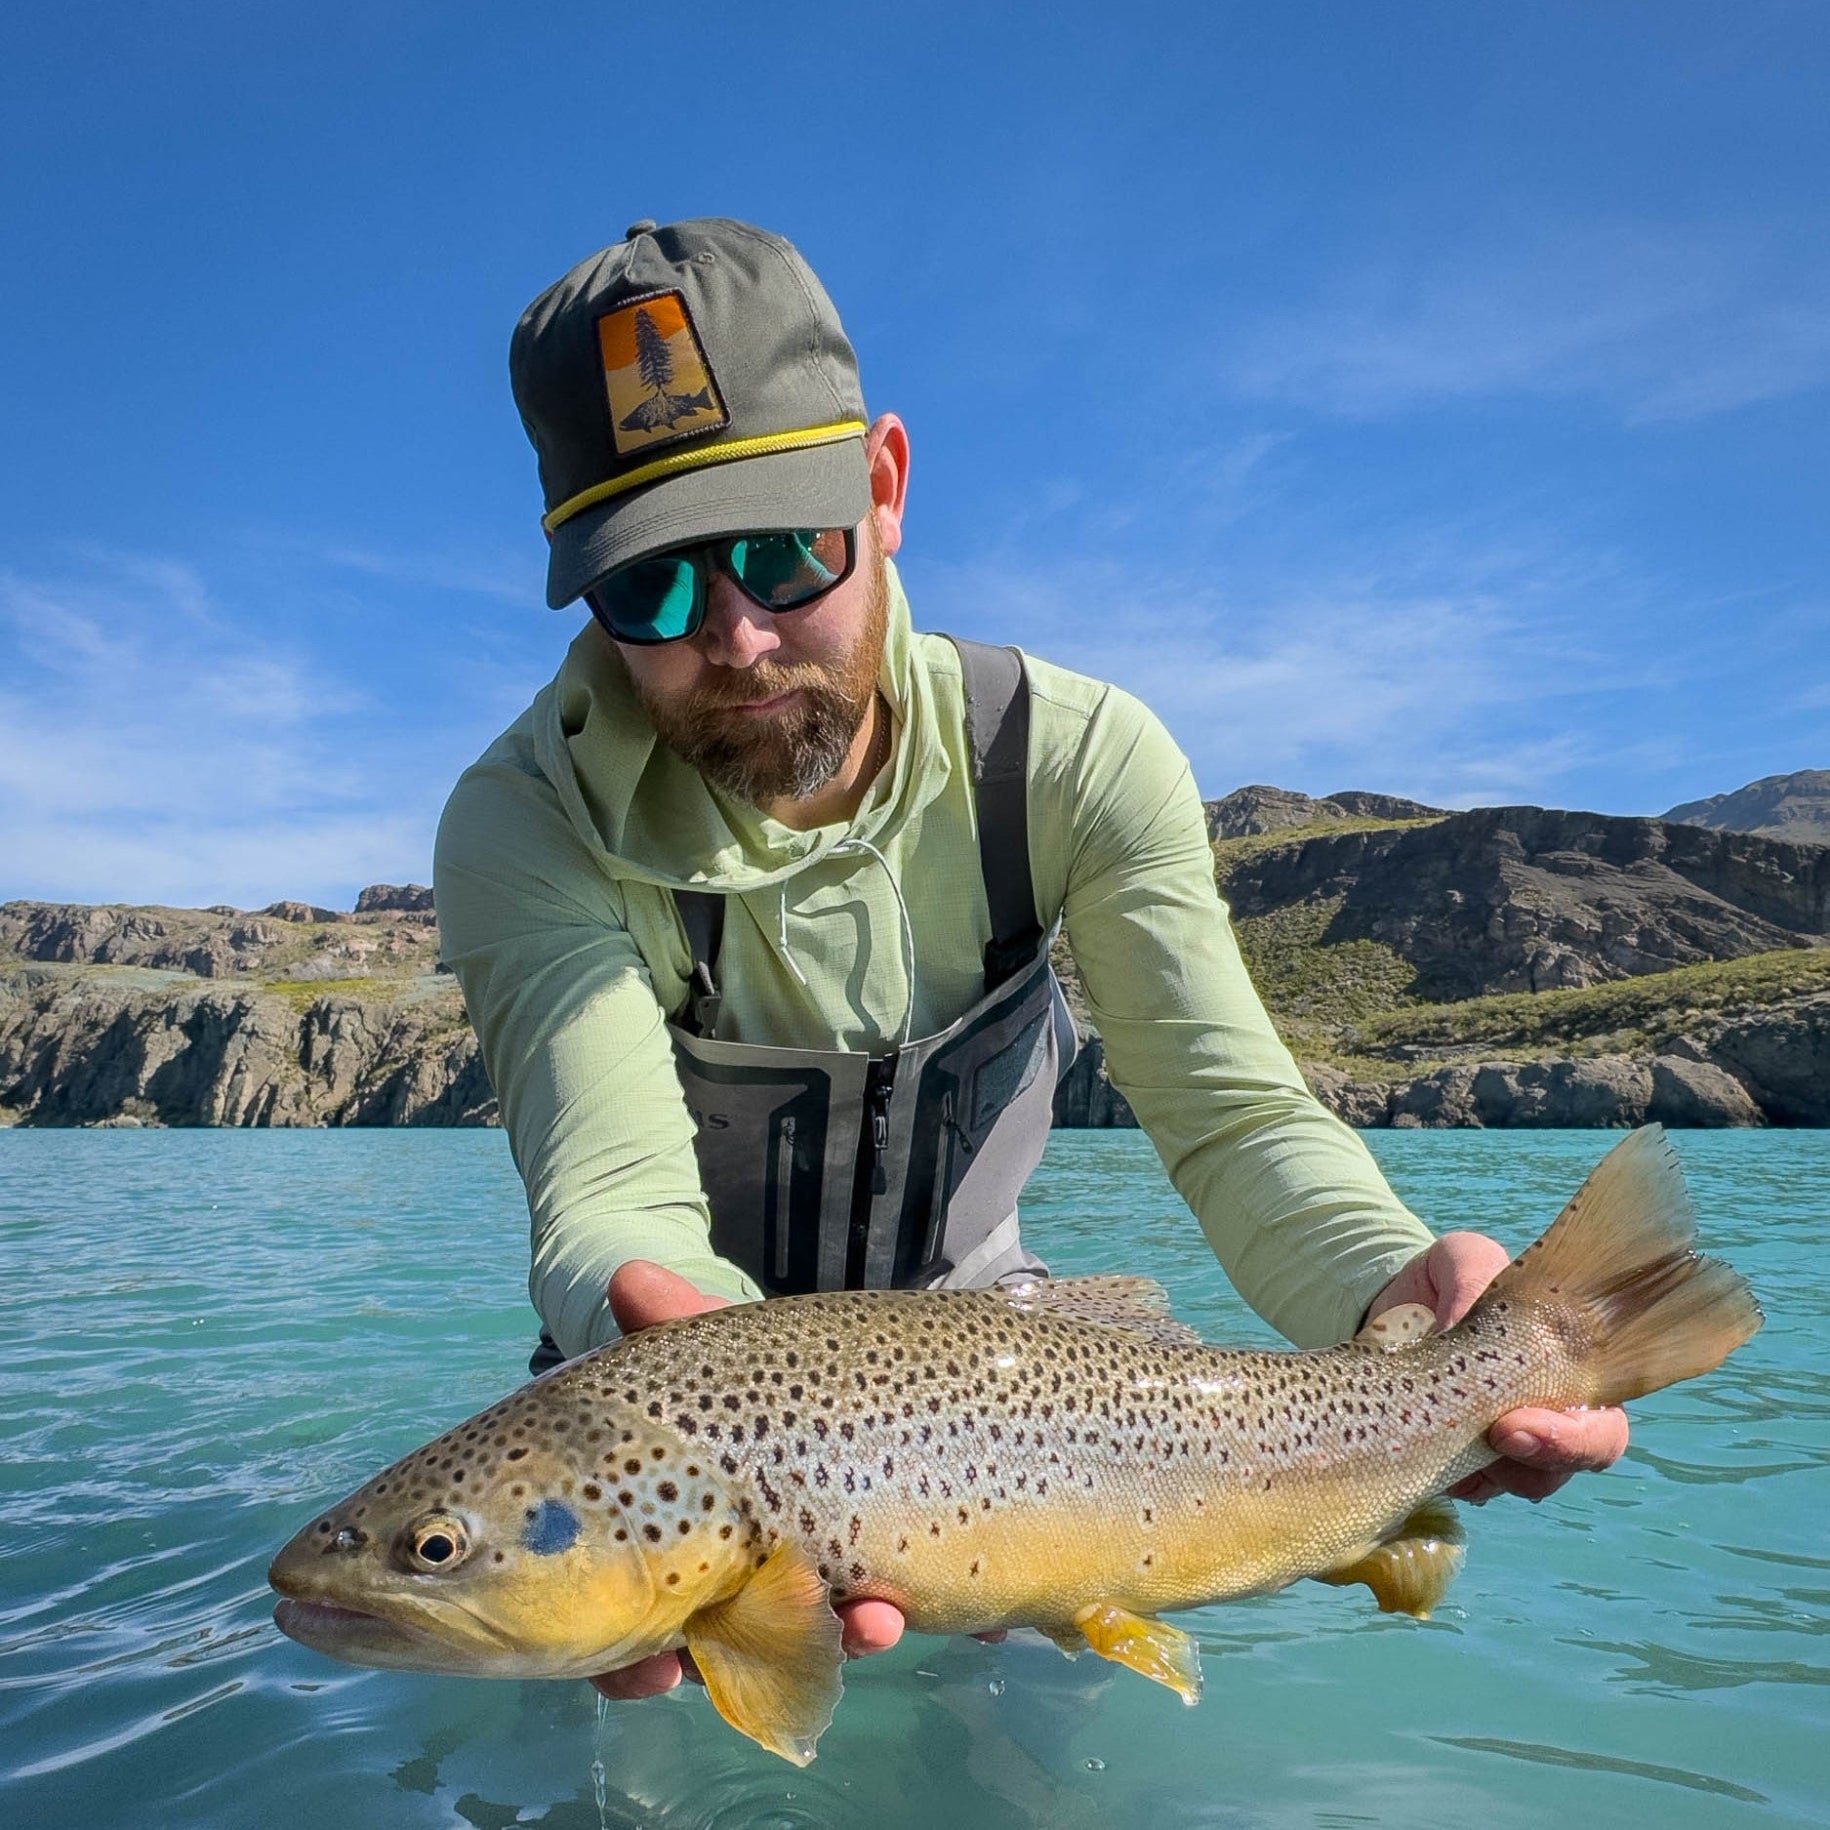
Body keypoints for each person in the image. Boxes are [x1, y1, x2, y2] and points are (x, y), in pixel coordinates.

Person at [433, 217, 1627, 1699]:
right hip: (664, 1427)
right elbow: (609, 1195)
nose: (735, 636)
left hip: (1027, 1389)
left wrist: (1407, 1297)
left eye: (782, 552)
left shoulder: (1078, 761)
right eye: (652, 590)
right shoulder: (523, 823)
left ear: (882, 487)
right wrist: (718, 1442)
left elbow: (1231, 1122)